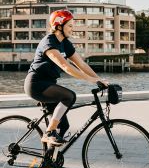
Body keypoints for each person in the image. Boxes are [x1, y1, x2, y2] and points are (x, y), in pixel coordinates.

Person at [24, 9, 108, 147]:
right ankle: (49, 132)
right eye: (69, 26)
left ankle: (50, 162)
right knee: (69, 96)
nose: (72, 29)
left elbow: (81, 64)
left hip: (49, 85)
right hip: (36, 84)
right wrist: (90, 79)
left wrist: (99, 79)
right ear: (58, 26)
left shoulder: (65, 43)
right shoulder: (49, 42)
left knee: (63, 126)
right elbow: (66, 67)